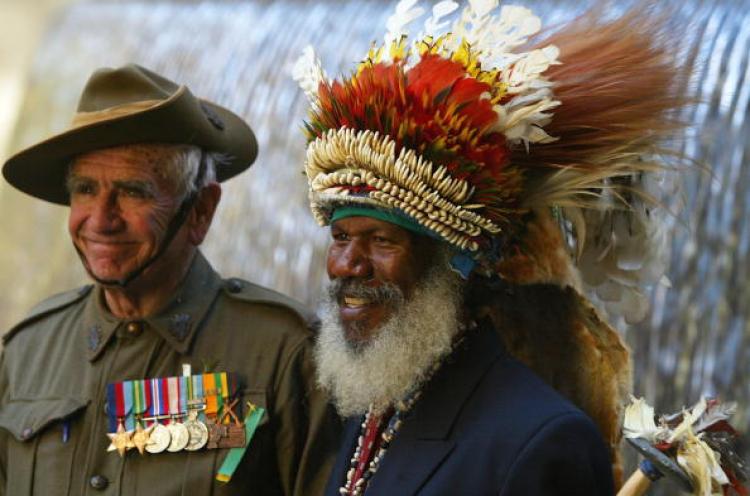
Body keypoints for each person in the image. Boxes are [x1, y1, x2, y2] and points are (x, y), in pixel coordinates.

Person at [293, 1, 690, 494]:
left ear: (451, 263)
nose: (346, 265)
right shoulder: (373, 404)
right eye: (340, 236)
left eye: (381, 240)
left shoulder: (542, 443)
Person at [0, 64, 339, 495]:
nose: (101, 220)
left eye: (133, 191)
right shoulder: (29, 349)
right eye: (85, 189)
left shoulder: (283, 352)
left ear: (200, 211)